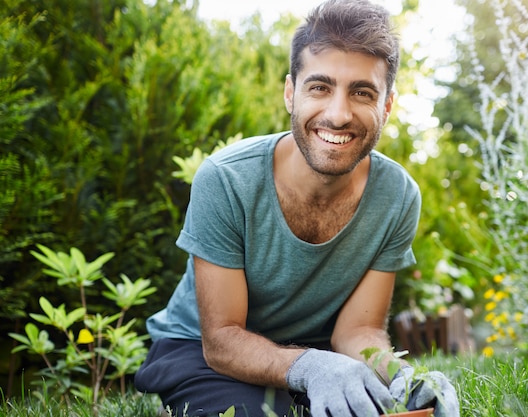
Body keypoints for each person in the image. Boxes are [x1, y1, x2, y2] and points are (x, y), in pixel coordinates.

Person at [134, 0, 460, 416]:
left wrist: (399, 374)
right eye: (319, 87)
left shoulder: (397, 196)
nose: (338, 114)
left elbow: (359, 330)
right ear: (291, 93)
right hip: (201, 351)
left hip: (317, 356)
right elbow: (222, 340)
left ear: (388, 106)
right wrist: (311, 368)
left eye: (362, 92)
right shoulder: (226, 179)